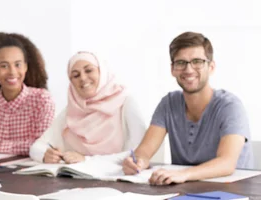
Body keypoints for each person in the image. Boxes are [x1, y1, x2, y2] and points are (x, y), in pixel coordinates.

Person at [122, 31, 254, 185]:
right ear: (173, 69)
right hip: (186, 189)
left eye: (197, 61)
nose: (189, 70)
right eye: (181, 63)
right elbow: (144, 152)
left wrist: (183, 174)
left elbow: (227, 163)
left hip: (233, 191)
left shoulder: (230, 106)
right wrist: (136, 162)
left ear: (211, 67)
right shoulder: (168, 104)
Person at [30, 51, 146, 164]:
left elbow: (139, 152)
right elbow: (37, 147)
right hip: (78, 178)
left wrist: (87, 160)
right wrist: (45, 154)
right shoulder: (73, 110)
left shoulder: (125, 102)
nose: (83, 78)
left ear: (102, 72)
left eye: (89, 70)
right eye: (75, 75)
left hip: (118, 178)